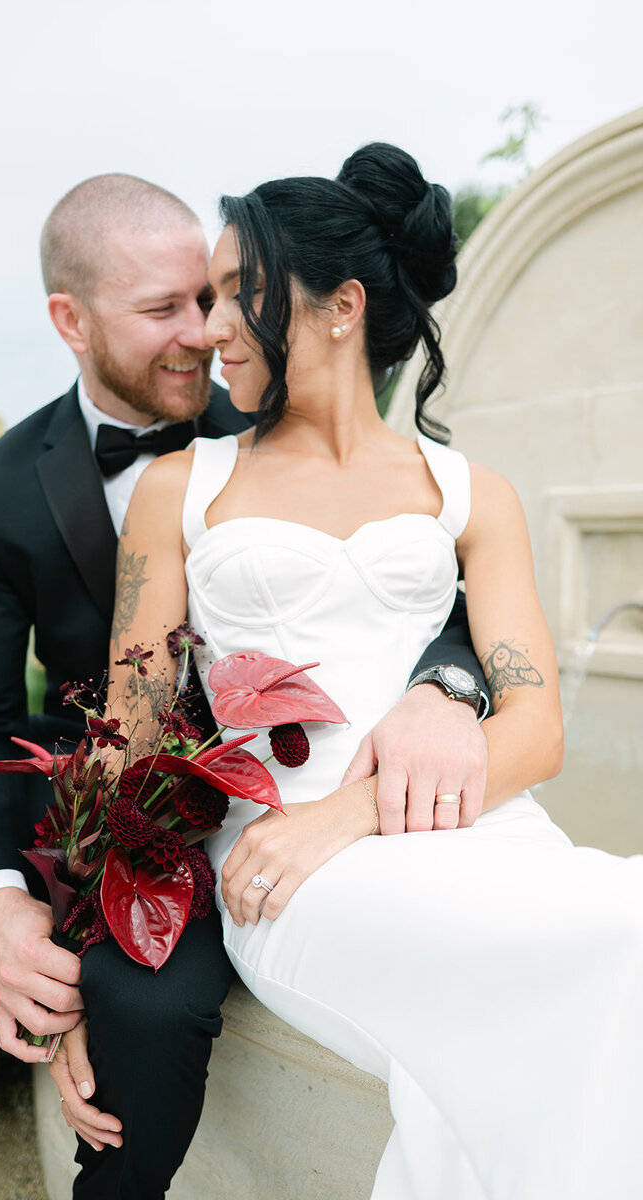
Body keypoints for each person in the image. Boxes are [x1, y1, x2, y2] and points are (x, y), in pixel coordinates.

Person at [0, 171, 489, 1198]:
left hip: (261, 784)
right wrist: (2, 910)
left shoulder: (283, 416)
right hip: (73, 776)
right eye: (163, 311)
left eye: (214, 298)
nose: (205, 331)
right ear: (70, 320)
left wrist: (444, 689)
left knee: (146, 1010)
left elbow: (424, 592)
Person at [60, 146, 643, 1199]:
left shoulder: (473, 493)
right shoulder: (181, 488)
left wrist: (349, 810)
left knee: (617, 928)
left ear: (339, 308)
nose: (211, 326)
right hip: (288, 874)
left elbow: (535, 729)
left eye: (241, 293)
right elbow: (127, 738)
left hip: (467, 828)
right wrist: (88, 968)